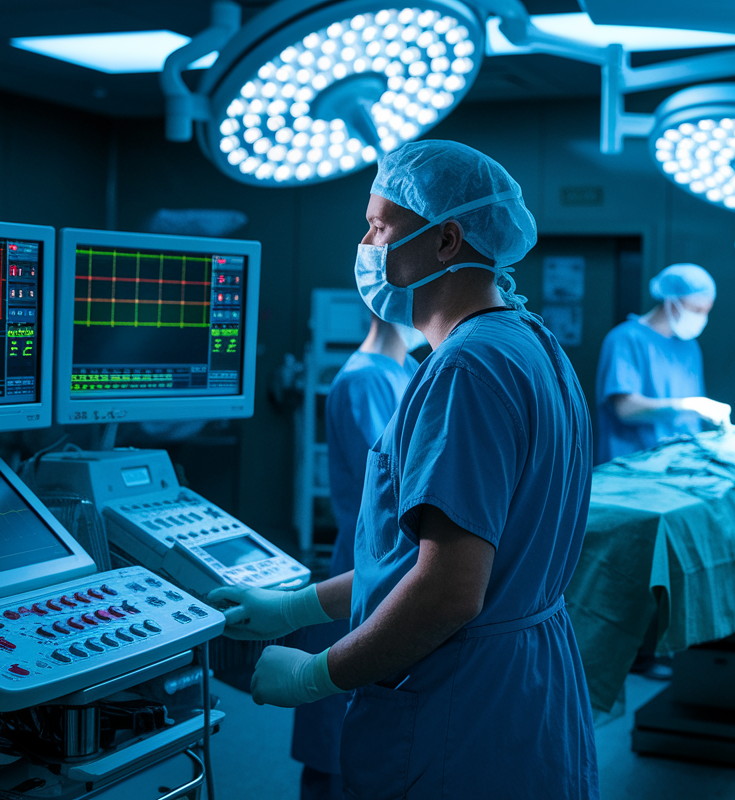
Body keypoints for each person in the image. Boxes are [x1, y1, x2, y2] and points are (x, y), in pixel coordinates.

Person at [210, 140, 599, 798]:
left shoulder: (467, 370)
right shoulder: (528, 342)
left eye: (381, 225)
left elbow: (448, 591)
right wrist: (289, 608)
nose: (366, 241)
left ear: (447, 240)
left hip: (461, 711)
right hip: (521, 692)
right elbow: (418, 558)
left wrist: (317, 675)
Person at [288, 315, 423, 800]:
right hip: (362, 568)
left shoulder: (407, 366)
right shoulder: (362, 380)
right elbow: (400, 485)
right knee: (334, 749)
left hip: (392, 565)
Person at [594, 263, 730, 465]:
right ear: (671, 301)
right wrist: (689, 406)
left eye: (706, 310)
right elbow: (626, 409)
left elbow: (690, 422)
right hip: (633, 465)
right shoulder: (626, 339)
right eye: (696, 309)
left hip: (680, 464)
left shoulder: (689, 347)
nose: (702, 317)